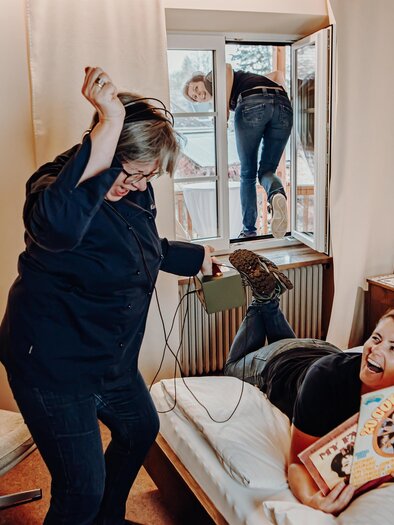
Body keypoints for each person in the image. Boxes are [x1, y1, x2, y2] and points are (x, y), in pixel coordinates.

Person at [0, 67, 215, 525]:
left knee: (141, 429)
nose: (139, 184)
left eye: (147, 176)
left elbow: (139, 247)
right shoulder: (56, 187)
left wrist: (196, 257)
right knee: (81, 489)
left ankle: (108, 522)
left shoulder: (136, 191)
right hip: (54, 366)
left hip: (109, 361)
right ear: (109, 147)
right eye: (134, 173)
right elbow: (58, 228)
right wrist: (110, 121)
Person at [224, 248, 394, 515]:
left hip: (321, 350)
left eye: (393, 348)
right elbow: (297, 465)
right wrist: (314, 501)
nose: (375, 350)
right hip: (280, 362)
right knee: (232, 368)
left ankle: (268, 299)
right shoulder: (326, 381)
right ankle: (263, 300)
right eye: (375, 338)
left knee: (289, 344)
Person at [183, 64, 293, 239]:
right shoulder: (246, 80)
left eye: (196, 89)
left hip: (251, 104)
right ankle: (276, 194)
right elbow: (278, 76)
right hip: (284, 106)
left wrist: (225, 108)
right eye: (195, 98)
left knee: (248, 173)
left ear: (201, 78)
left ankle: (249, 230)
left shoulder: (212, 78)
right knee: (267, 170)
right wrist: (275, 100)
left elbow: (225, 67)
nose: (199, 95)